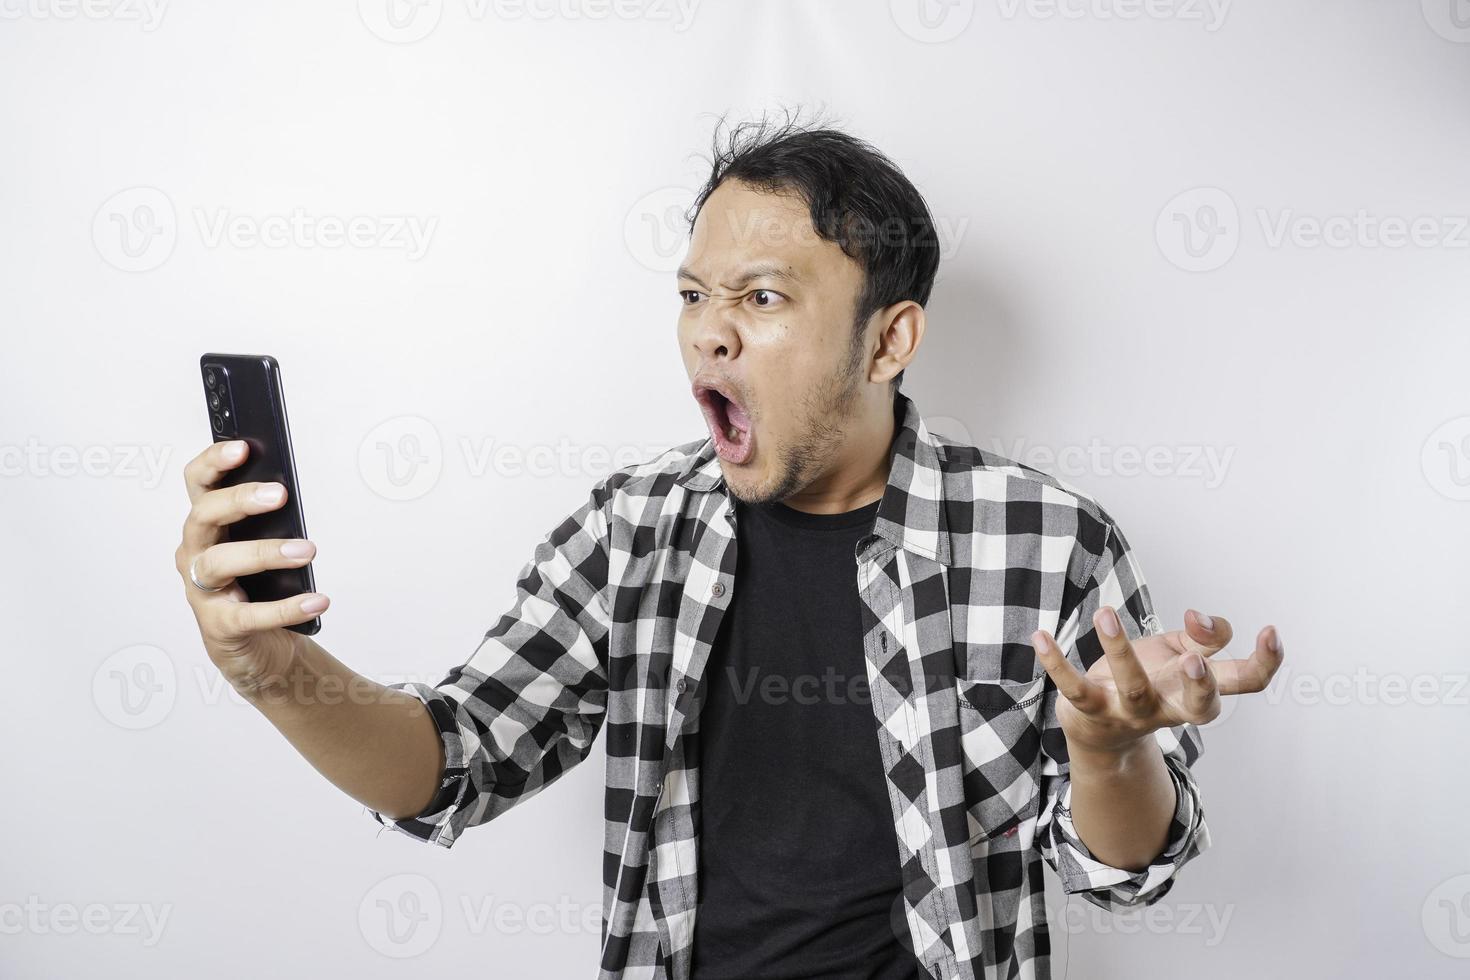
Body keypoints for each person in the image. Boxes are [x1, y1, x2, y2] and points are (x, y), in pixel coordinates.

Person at [175, 116, 1284, 980]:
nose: (710, 329)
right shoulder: (634, 527)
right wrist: (274, 670)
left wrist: (1105, 751)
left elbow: (1126, 871)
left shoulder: (1048, 539)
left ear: (889, 338)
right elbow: (452, 761)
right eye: (696, 295)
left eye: (762, 296)